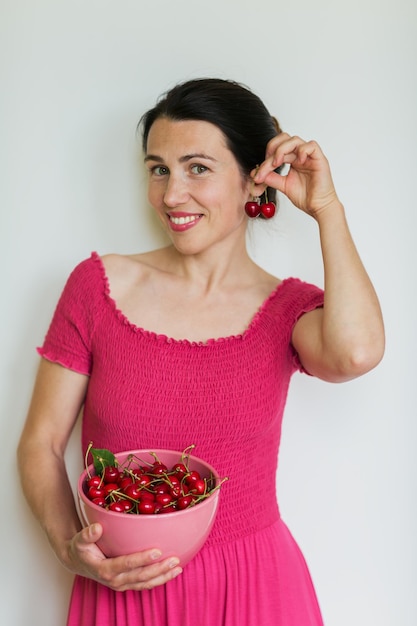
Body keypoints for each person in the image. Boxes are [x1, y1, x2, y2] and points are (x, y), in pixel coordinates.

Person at [17, 78, 385, 626]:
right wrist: (70, 547)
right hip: (124, 591)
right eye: (158, 169)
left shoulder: (286, 310)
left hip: (256, 590)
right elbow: (41, 442)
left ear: (252, 182)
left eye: (198, 168)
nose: (171, 195)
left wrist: (326, 208)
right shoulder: (97, 287)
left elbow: (355, 353)